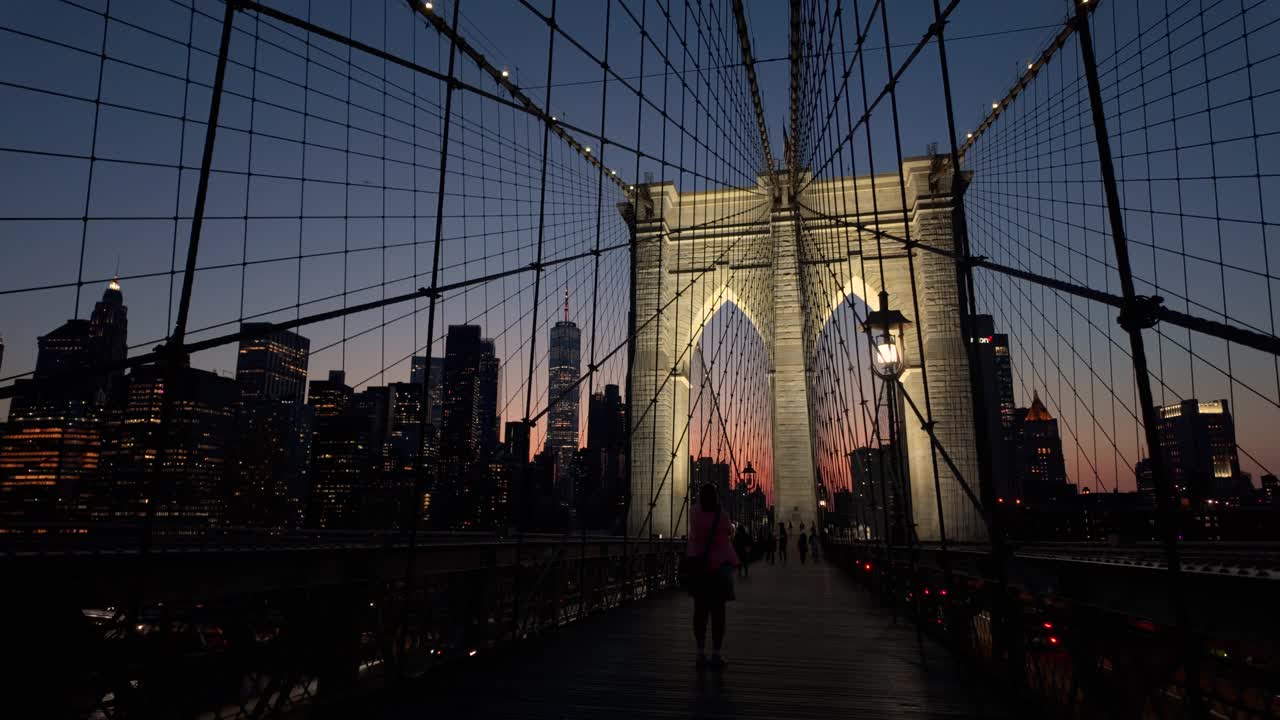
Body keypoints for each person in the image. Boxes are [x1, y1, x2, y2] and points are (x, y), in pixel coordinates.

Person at [687, 482, 739, 668]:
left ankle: (700, 653)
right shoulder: (722, 515)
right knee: (718, 614)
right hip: (717, 571)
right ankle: (716, 653)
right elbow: (729, 532)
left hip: (698, 569)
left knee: (699, 613)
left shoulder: (693, 512)